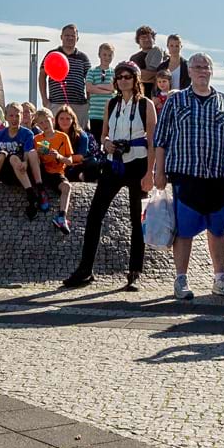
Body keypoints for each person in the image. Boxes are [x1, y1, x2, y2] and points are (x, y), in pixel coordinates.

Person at [149, 53, 224, 301]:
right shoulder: (176, 101)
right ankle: (181, 280)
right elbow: (160, 140)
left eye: (206, 67)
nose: (202, 70)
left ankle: (220, 278)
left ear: (211, 71)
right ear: (190, 71)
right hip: (186, 176)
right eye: (197, 67)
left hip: (218, 178)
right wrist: (158, 171)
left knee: (219, 229)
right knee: (184, 231)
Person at [66, 62, 153, 289]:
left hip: (138, 164)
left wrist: (151, 173)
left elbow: (153, 142)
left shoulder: (146, 104)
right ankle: (85, 269)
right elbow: (103, 134)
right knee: (95, 214)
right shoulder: (111, 103)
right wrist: (107, 143)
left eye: (127, 76)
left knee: (137, 218)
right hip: (114, 164)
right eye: (119, 77)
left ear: (135, 79)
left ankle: (135, 271)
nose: (123, 80)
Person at [35, 105, 79, 222]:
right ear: (38, 126)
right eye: (41, 123)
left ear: (53, 120)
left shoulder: (62, 137)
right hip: (41, 172)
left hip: (56, 173)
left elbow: (70, 161)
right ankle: (41, 193)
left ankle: (62, 216)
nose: (44, 124)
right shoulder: (38, 138)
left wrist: (59, 156)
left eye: (46, 121)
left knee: (66, 187)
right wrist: (39, 154)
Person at [83, 40, 116, 141]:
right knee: (96, 141)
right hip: (95, 113)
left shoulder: (114, 72)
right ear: (99, 55)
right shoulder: (92, 71)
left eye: (109, 55)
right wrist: (107, 91)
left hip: (111, 113)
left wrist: (97, 87)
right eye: (104, 55)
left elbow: (113, 87)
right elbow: (89, 88)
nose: (107, 57)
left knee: (109, 140)